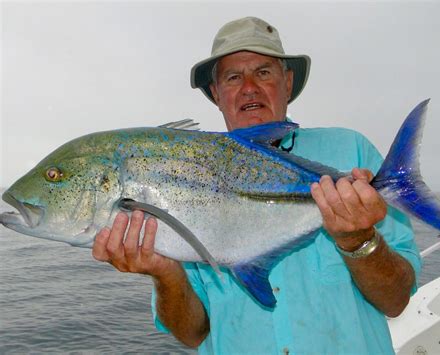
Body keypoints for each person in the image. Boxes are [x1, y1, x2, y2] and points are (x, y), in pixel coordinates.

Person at [92, 17, 421, 354]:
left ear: (287, 82)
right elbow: (192, 334)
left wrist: (358, 241)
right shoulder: (178, 177)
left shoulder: (351, 153)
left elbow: (396, 301)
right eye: (233, 77)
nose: (249, 87)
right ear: (216, 94)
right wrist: (164, 272)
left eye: (263, 72)